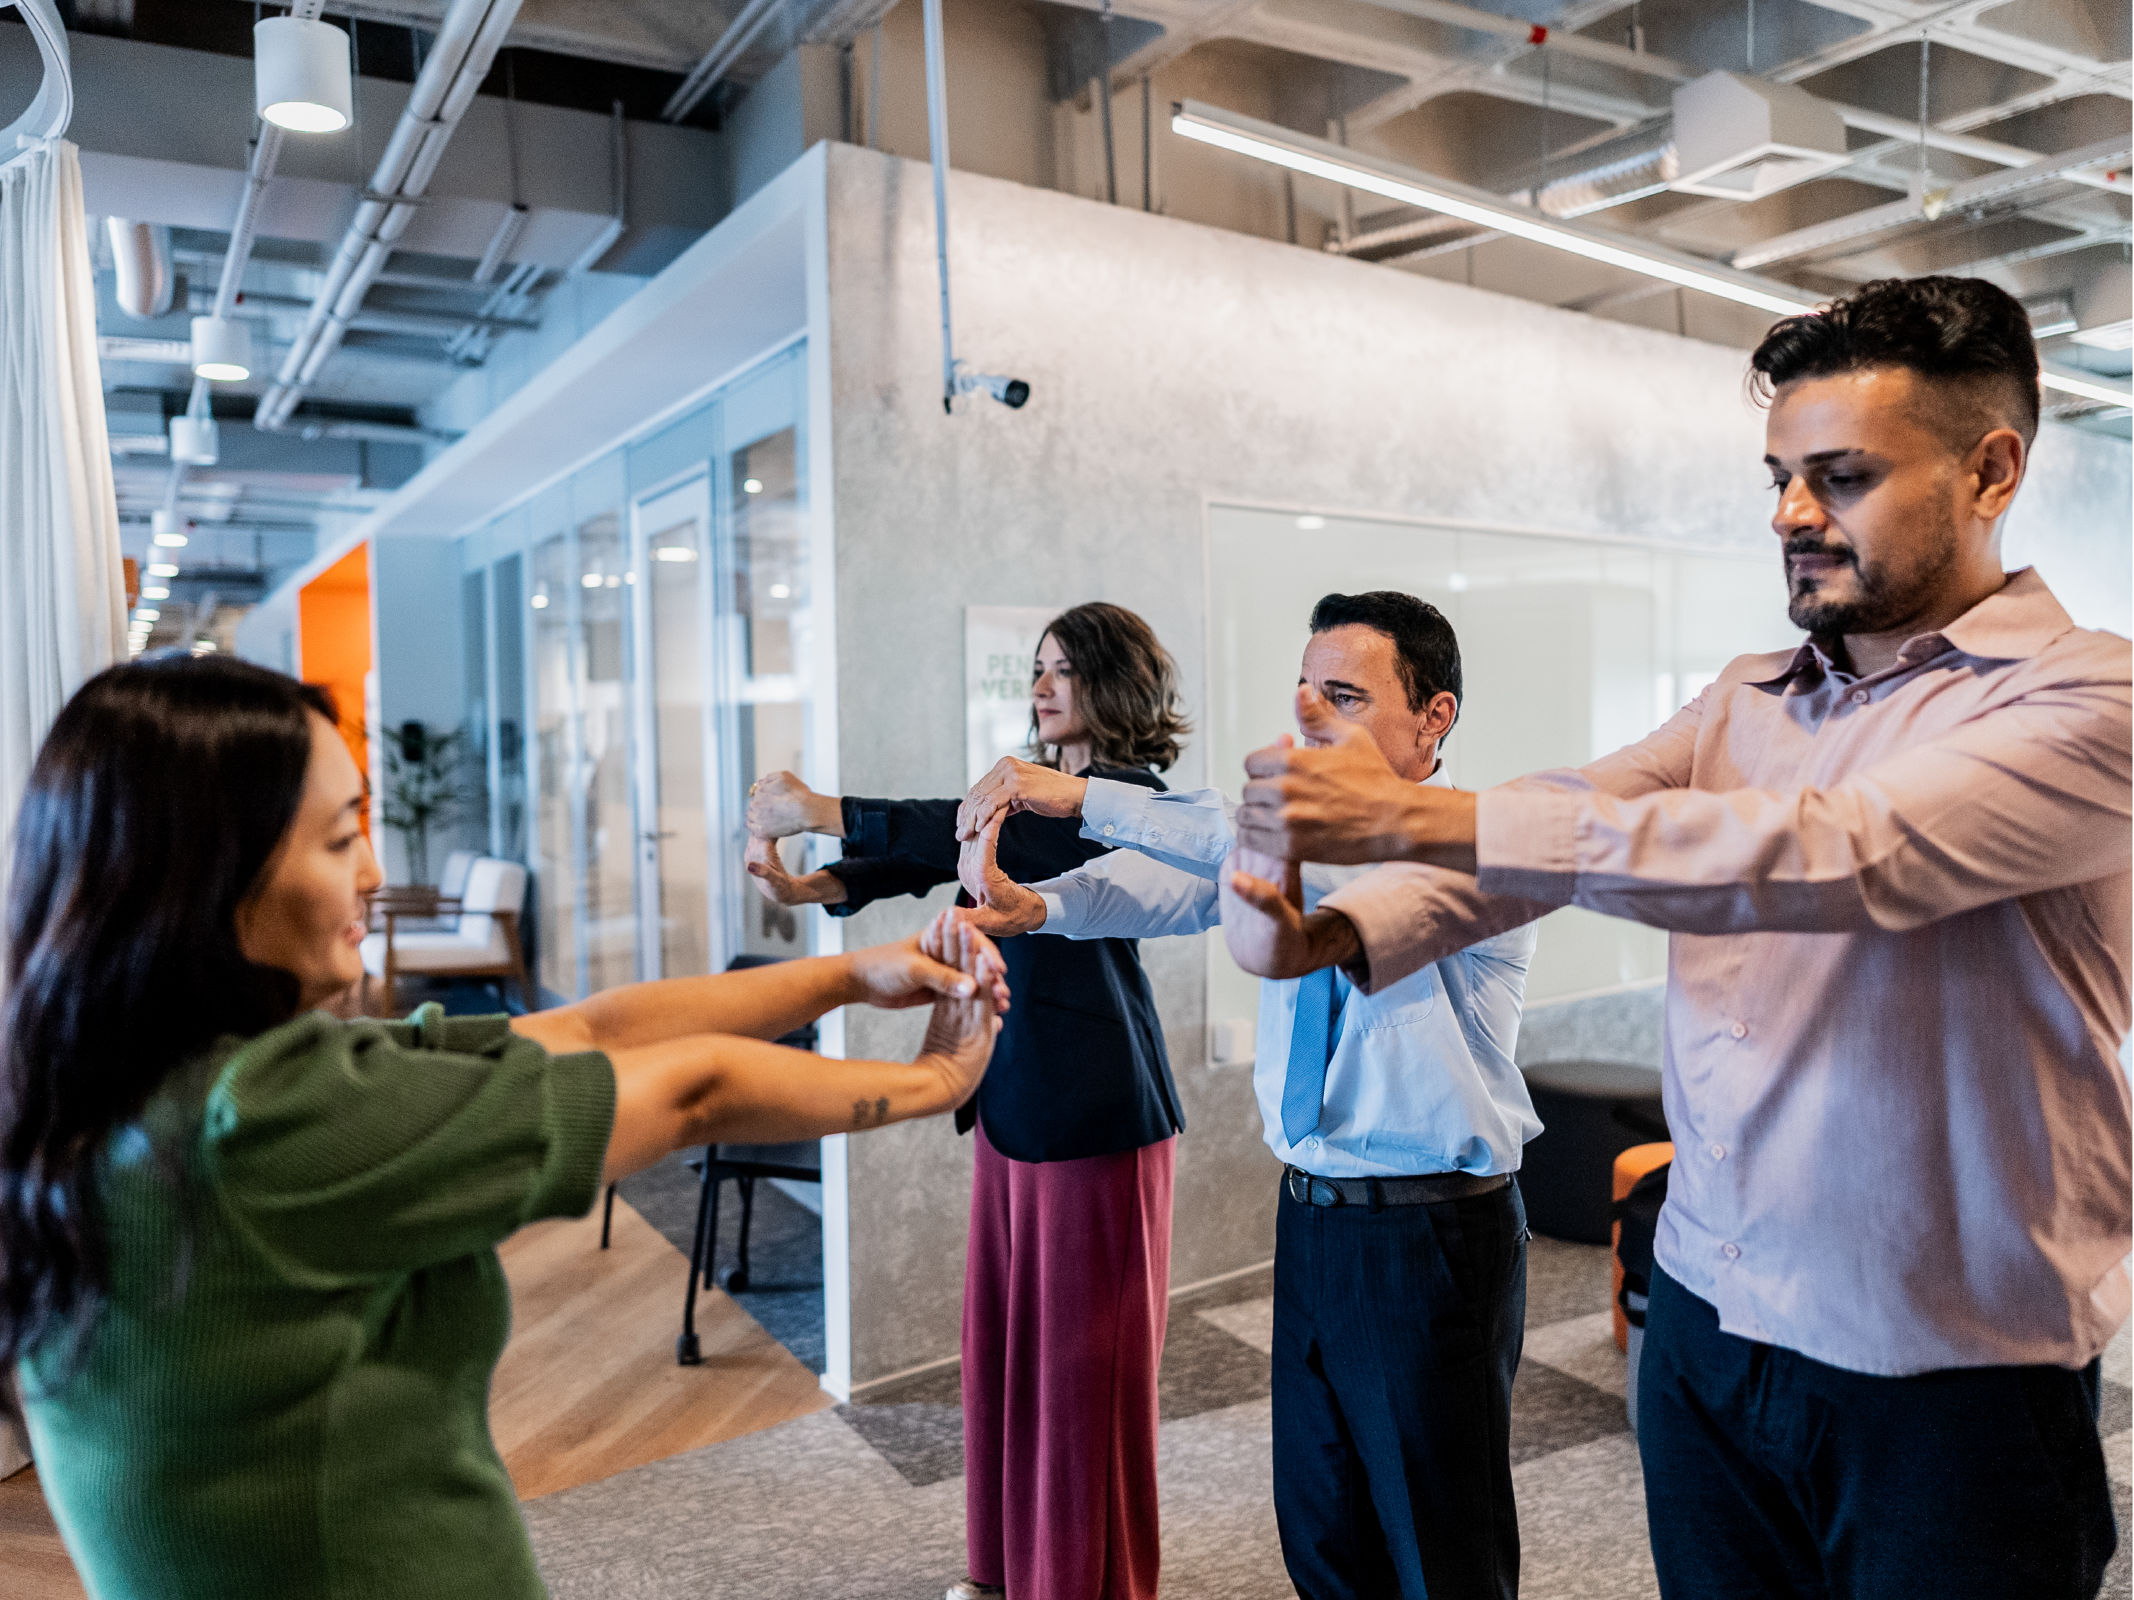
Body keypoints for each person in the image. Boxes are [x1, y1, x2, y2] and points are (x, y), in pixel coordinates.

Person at [1221, 276, 2130, 1598]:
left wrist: (1414, 816)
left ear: (1990, 470)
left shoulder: (2084, 700)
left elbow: (1836, 856)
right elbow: (1565, 826)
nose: (1790, 514)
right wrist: (1335, 935)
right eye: (1778, 475)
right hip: (1706, 1334)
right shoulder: (1743, 700)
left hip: (1949, 1381)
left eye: (1841, 475)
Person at [1, 655, 1006, 1600]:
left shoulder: (131, 1088)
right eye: (341, 835)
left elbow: (583, 1029)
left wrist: (853, 972)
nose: (371, 873)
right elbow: (689, 1092)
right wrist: (933, 1077)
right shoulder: (259, 1120)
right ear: (207, 877)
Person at [953, 592, 1540, 1600]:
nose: (1312, 718)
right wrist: (1039, 906)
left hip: (1432, 1235)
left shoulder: (1480, 844)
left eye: (1345, 697)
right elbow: (1172, 883)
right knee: (1322, 1531)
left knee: (1440, 1551)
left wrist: (1079, 795)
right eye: (1305, 693)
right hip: (1312, 1222)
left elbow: (1224, 841)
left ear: (1433, 716)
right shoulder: (1284, 842)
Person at [743, 602, 1190, 1600]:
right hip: (1012, 1099)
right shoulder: (1027, 804)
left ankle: (1083, 1582)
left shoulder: (1127, 800)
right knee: (1010, 1354)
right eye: (1036, 666)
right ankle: (1009, 1572)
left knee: (1080, 1376)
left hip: (1097, 1116)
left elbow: (1001, 845)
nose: (1041, 685)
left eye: (1064, 669)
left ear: (1114, 687)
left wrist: (822, 811)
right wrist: (813, 888)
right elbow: (950, 850)